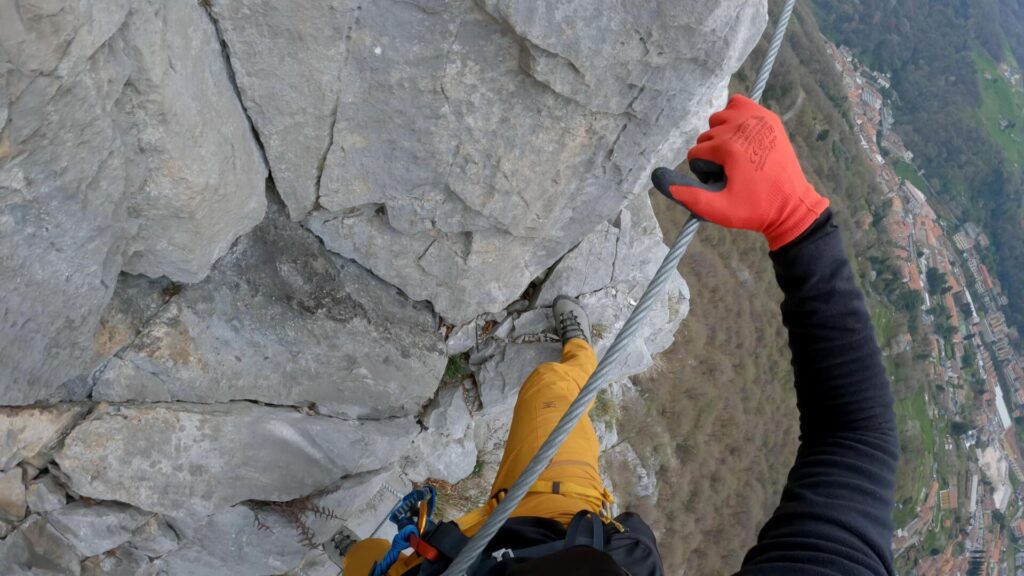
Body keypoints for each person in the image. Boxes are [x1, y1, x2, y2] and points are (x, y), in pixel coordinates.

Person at [340, 95, 899, 575]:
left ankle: (343, 545)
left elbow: (855, 441)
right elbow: (854, 441)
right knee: (553, 388)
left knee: (364, 559)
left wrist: (800, 225)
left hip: (463, 560)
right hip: (557, 529)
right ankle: (578, 348)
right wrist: (797, 223)